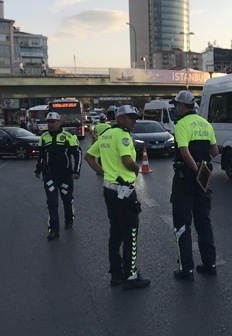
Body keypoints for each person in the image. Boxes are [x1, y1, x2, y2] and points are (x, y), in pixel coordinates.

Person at [83, 105, 150, 290]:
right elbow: (127, 161)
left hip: (109, 190)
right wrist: (137, 170)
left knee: (116, 233)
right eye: (131, 118)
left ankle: (116, 274)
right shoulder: (122, 135)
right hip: (124, 191)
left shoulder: (106, 135)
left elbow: (88, 157)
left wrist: (104, 173)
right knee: (131, 233)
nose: (134, 121)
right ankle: (131, 276)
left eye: (135, 118)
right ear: (120, 119)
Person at [169, 90, 219, 281]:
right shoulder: (206, 124)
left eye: (176, 105)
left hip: (185, 180)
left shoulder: (181, 124)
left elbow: (184, 152)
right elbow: (215, 150)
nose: (175, 109)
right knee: (204, 223)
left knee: (182, 224)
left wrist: (195, 169)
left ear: (182, 106)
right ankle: (210, 264)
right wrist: (204, 165)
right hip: (204, 181)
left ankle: (186, 269)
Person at [34, 112, 82, 240]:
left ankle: (69, 218)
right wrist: (38, 169)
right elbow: (41, 156)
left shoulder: (69, 136)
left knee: (67, 199)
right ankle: (53, 230)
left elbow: (77, 155)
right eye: (48, 122)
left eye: (53, 122)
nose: (50, 125)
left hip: (65, 175)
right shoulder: (43, 137)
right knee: (52, 202)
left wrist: (76, 171)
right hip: (49, 175)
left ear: (59, 122)